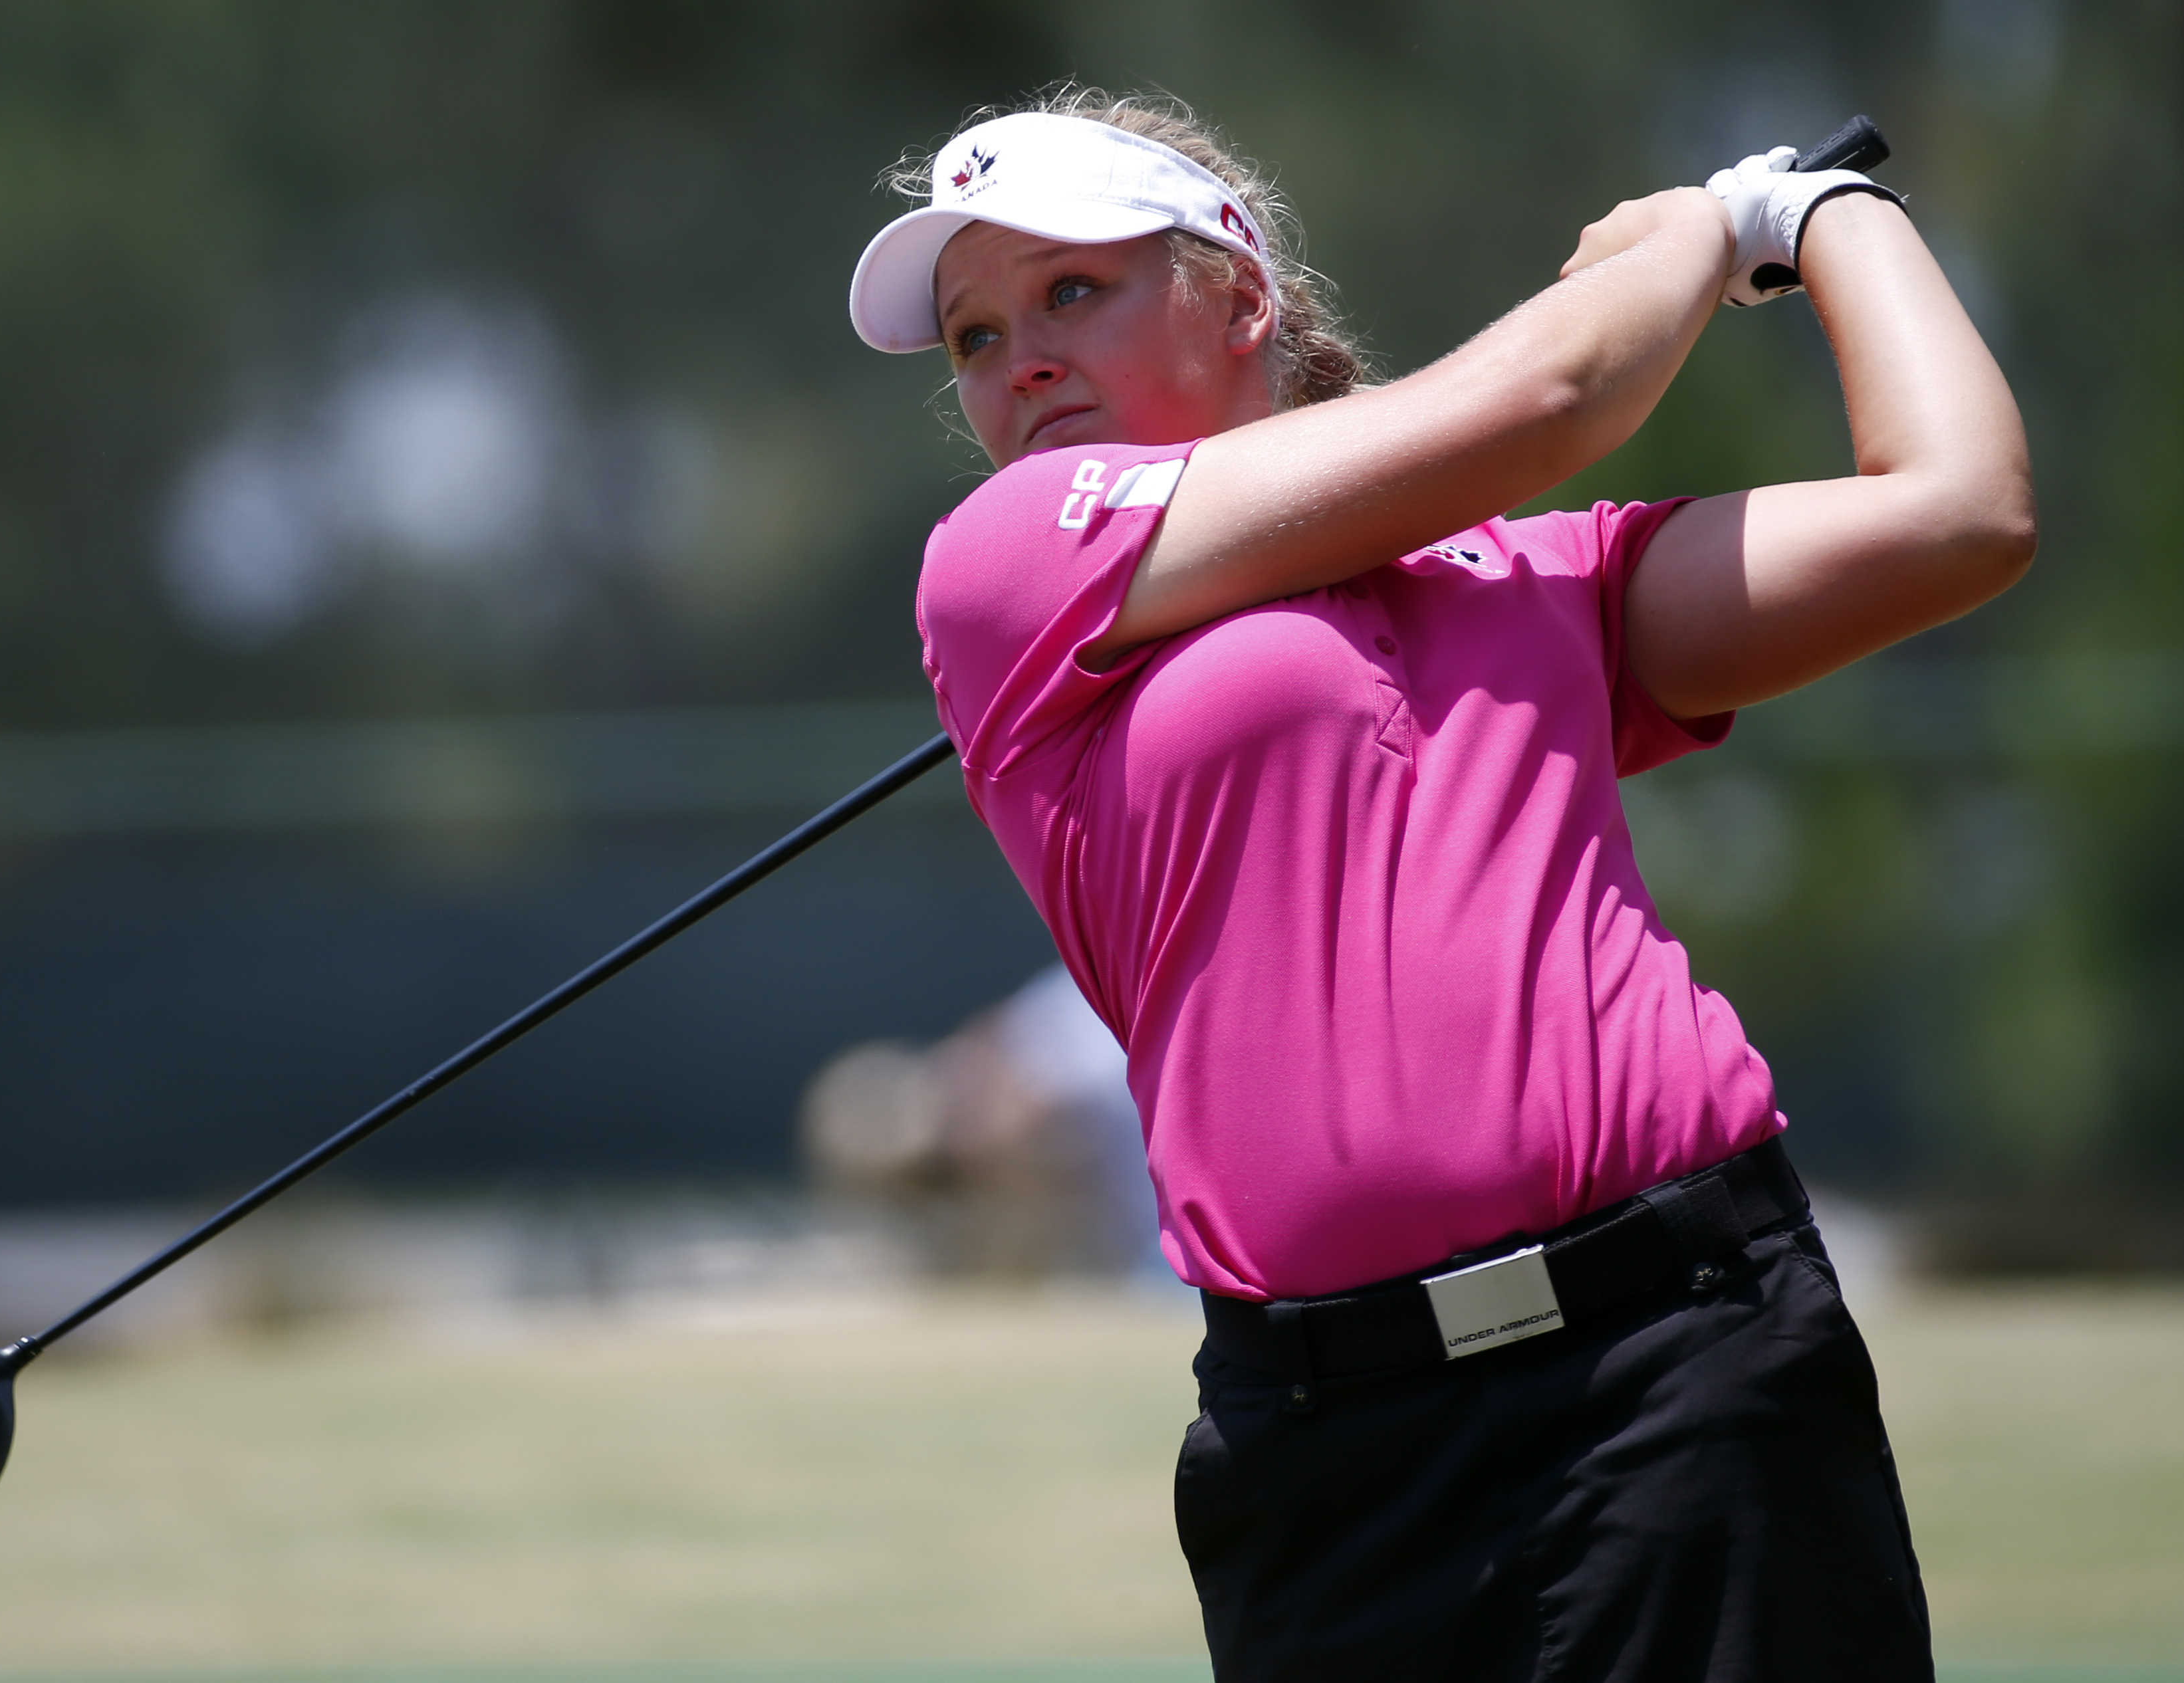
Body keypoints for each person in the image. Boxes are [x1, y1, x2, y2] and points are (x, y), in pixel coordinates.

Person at [848, 84, 2032, 1682]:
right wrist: (1694, 234)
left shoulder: (1544, 580)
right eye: (975, 338)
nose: (1022, 360)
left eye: (1073, 290)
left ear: (1241, 293)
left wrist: (1825, 221)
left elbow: (1956, 515)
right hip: (1332, 1453)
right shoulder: (1004, 564)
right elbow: (1551, 391)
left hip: (1685, 1365)